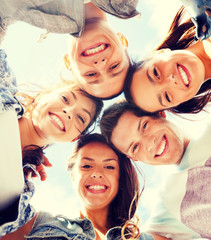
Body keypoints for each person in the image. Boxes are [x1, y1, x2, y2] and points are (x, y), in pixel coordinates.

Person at [100, 100, 211, 239]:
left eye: (144, 126)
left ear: (160, 113)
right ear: (134, 158)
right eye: (135, 147)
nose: (149, 144)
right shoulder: (169, 201)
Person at [0, 133, 166, 240]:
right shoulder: (39, 223)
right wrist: (20, 159)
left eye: (109, 167)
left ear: (121, 179)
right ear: (73, 177)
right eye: (86, 166)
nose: (96, 173)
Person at [0, 48, 103, 214]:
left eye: (80, 118)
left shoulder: (19, 190)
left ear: (74, 138)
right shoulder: (2, 83)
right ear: (42, 95)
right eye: (65, 98)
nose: (69, 112)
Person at [1, 0, 139, 99]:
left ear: (68, 62)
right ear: (122, 41)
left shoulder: (26, 12)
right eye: (114, 66)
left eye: (91, 75)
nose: (101, 65)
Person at [123, 2, 211, 115]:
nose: (170, 80)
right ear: (179, 103)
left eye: (156, 73)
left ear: (160, 53)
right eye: (167, 97)